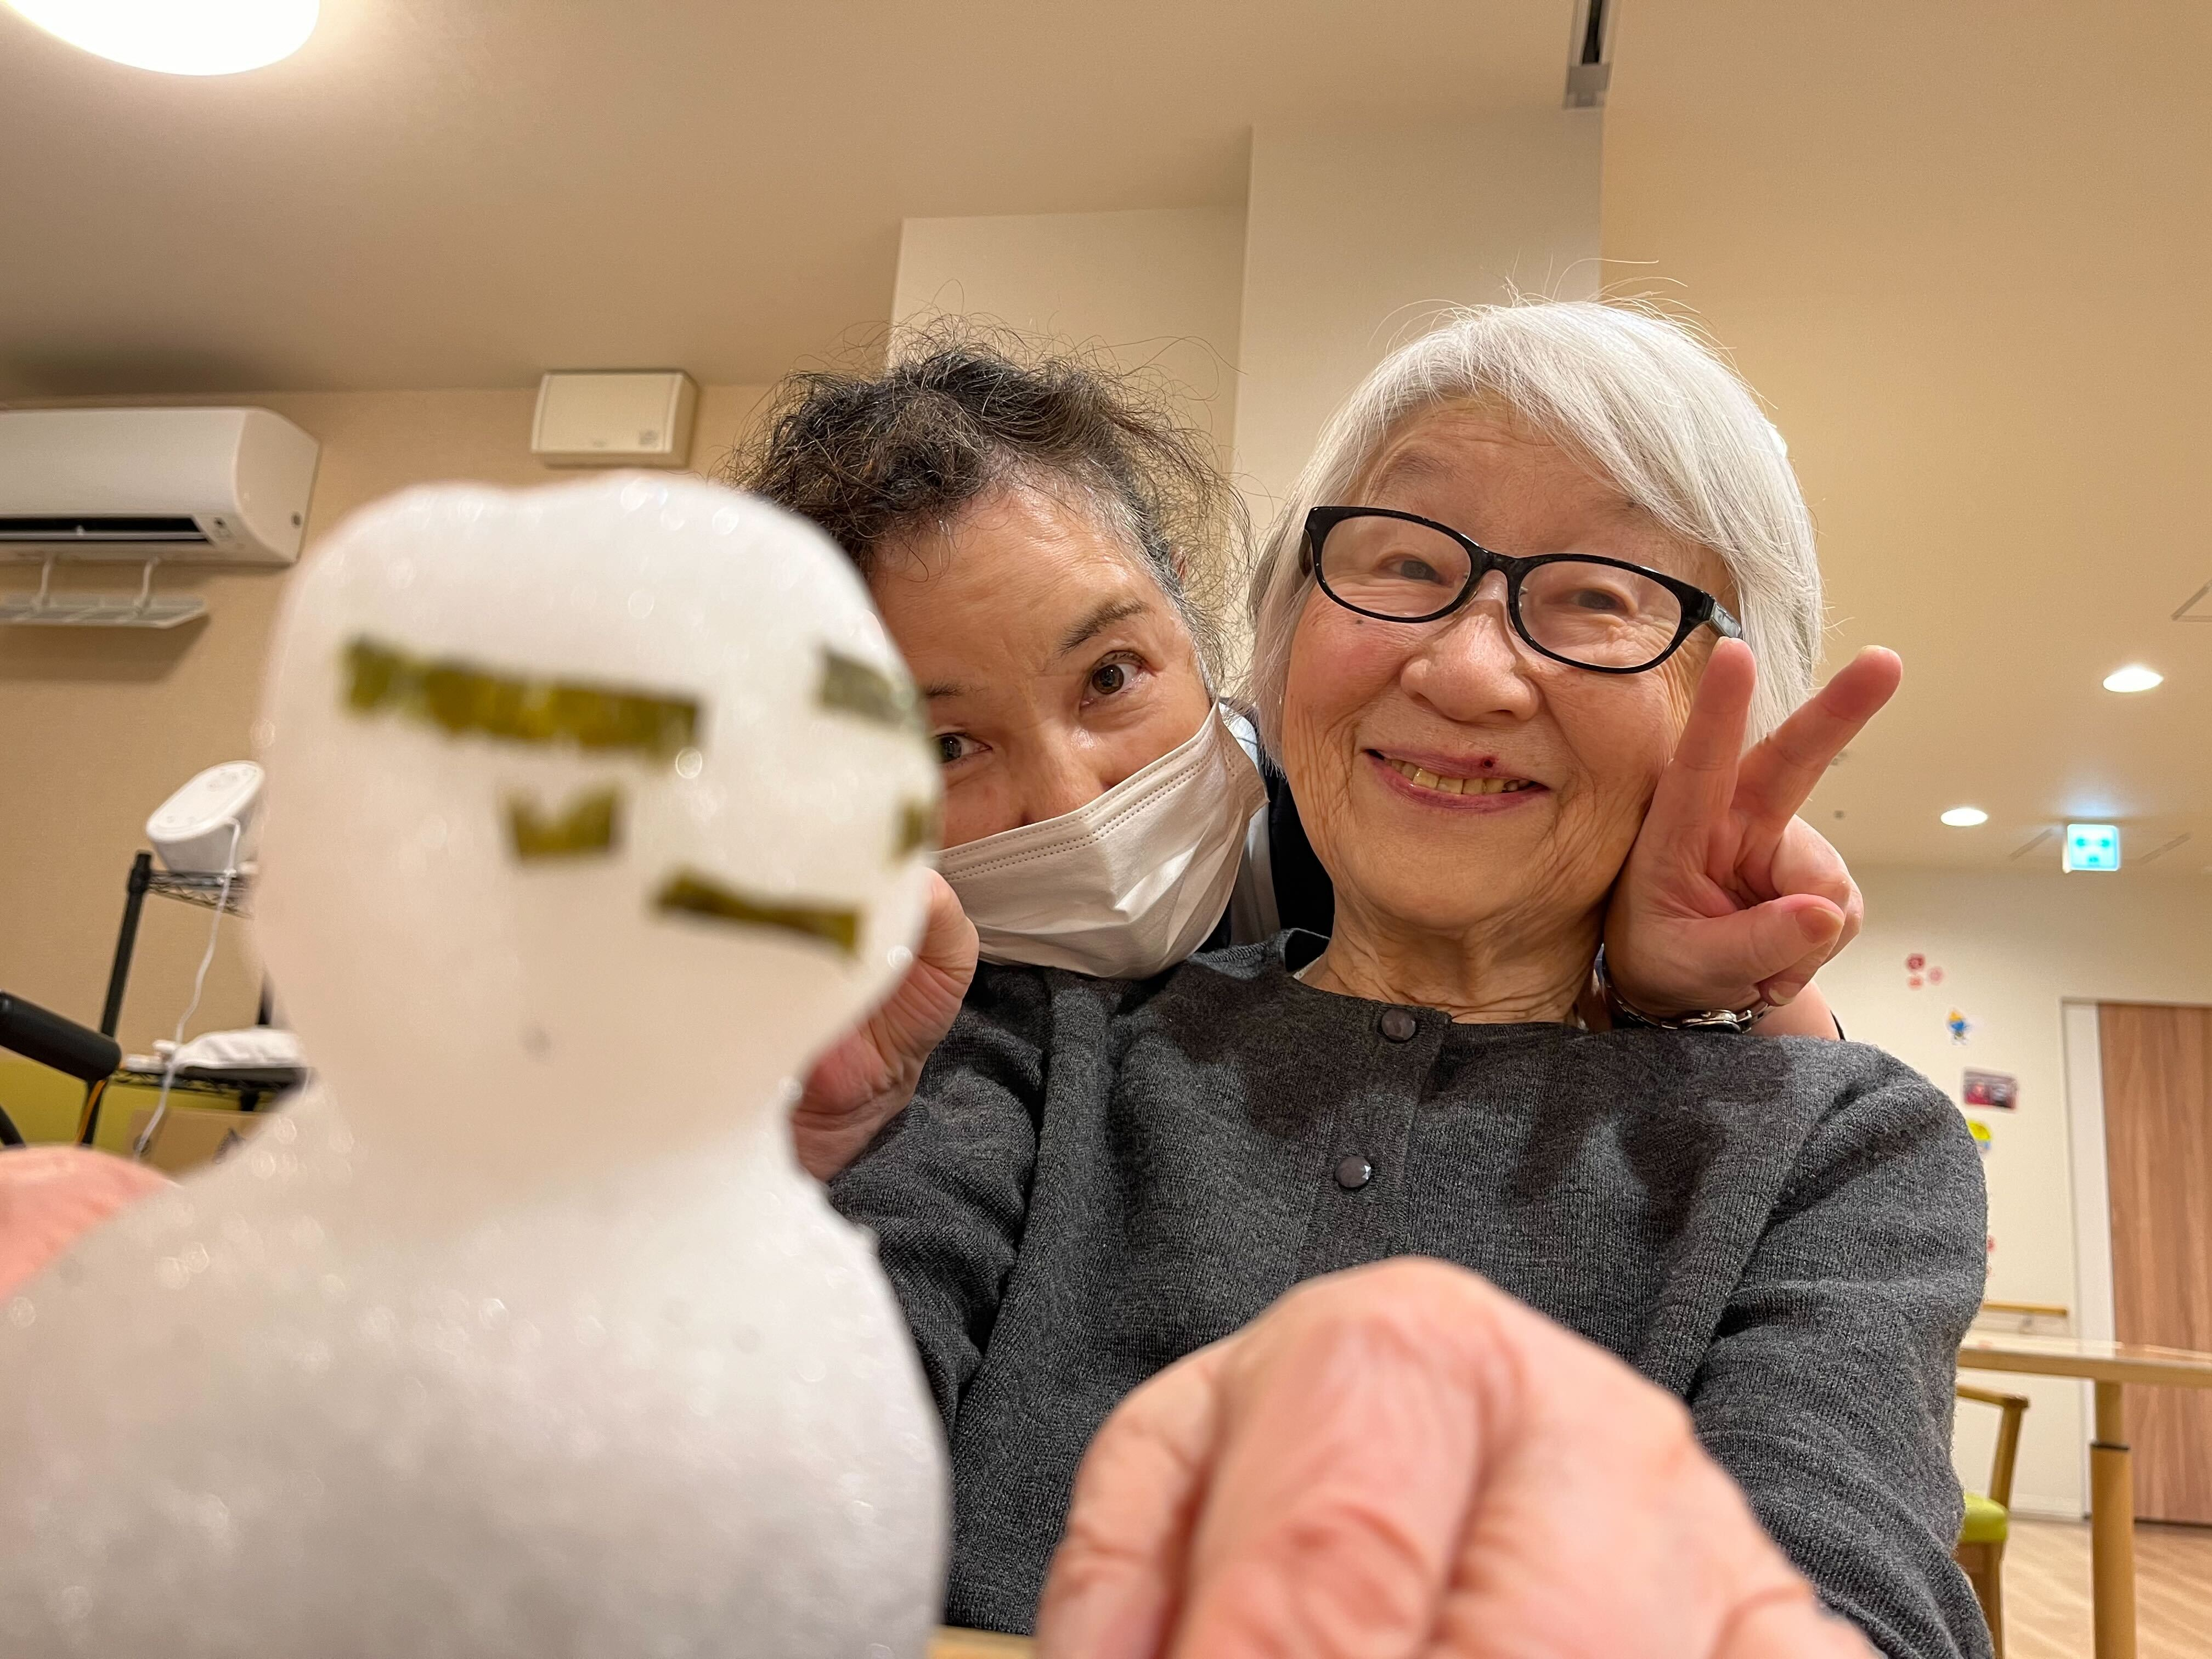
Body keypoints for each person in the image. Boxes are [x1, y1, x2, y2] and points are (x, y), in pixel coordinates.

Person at [825, 302, 1989, 1657]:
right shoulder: (1032, 1047)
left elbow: (1842, 1597)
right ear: (1285, 633)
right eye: (1403, 562)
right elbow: (778, 1486)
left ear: (1726, 711)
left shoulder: (1844, 1151)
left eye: (1599, 598)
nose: (1469, 671)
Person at [723, 332, 1869, 1180]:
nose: (1076, 800)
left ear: (1189, 613)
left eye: (1111, 678)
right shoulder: (849, 993)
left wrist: (1691, 991)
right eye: (947, 745)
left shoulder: (1374, 824)